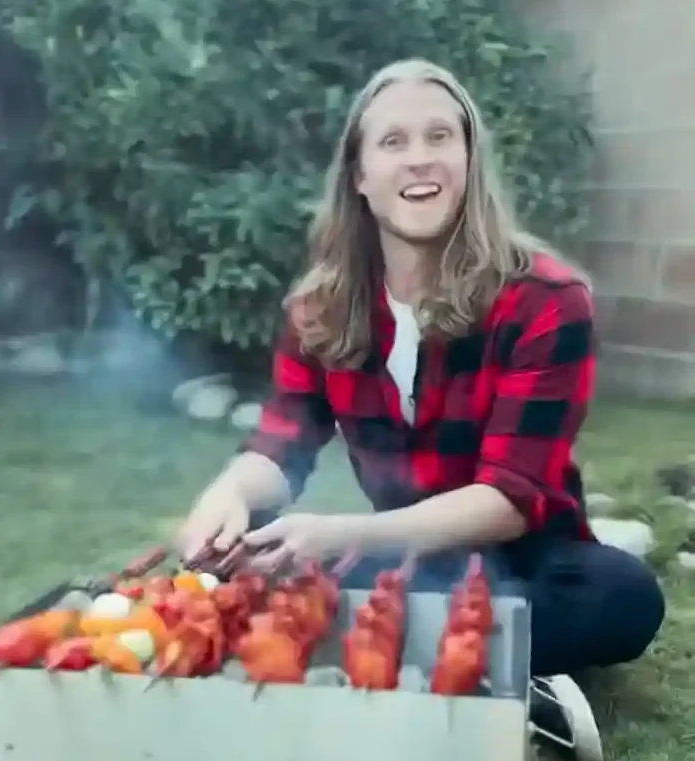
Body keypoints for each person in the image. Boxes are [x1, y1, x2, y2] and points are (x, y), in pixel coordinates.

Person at [176, 59, 665, 760]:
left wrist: (342, 532)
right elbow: (280, 449)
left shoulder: (546, 300)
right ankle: (489, 666)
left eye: (441, 136)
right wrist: (226, 491)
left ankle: (411, 655)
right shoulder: (318, 310)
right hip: (397, 560)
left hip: (526, 559)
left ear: (469, 161)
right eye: (394, 141)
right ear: (360, 176)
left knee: (621, 593)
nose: (421, 158)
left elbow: (510, 497)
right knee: (253, 551)